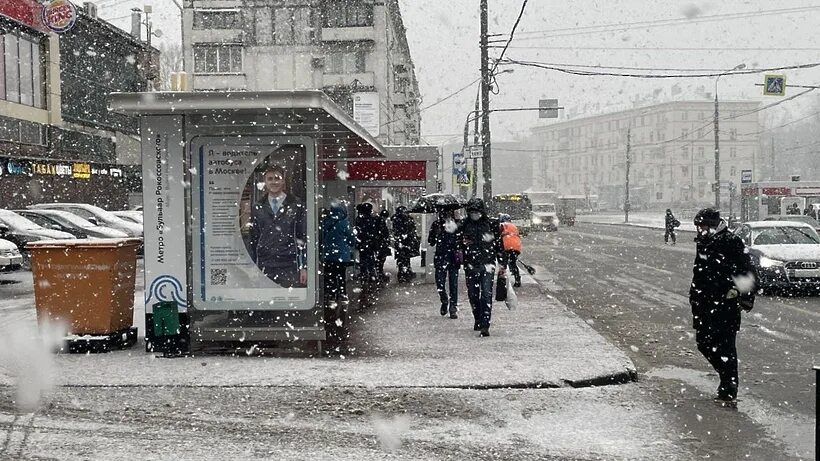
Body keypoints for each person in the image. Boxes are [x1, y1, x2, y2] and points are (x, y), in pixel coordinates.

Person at [689, 208, 756, 404]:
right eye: (697, 227)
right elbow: (700, 272)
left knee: (726, 346)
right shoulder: (704, 242)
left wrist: (745, 296)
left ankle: (729, 386)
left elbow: (746, 270)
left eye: (702, 226)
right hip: (703, 303)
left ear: (712, 225)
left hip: (724, 304)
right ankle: (726, 378)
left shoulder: (730, 241)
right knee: (704, 343)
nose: (699, 230)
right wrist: (695, 294)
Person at [248, 164, 307, 288]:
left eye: (277, 178)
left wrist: (304, 266)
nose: (274, 182)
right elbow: (253, 238)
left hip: (289, 263)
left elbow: (302, 236)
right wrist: (252, 266)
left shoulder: (296, 205)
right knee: (266, 302)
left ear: (283, 180)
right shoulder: (258, 207)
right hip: (265, 263)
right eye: (270, 179)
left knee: (289, 303)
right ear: (265, 182)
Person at [459, 198, 507, 337]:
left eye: (476, 212)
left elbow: (499, 244)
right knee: (473, 294)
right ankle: (478, 318)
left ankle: (485, 324)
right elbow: (457, 243)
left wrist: (502, 263)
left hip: (488, 263)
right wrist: (463, 244)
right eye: (472, 212)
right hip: (471, 264)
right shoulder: (464, 224)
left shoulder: (491, 224)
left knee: (486, 293)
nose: (474, 214)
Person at [428, 209, 462, 318]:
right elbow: (431, 241)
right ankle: (444, 300)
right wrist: (436, 234)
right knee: (440, 283)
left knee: (453, 283)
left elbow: (461, 240)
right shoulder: (437, 225)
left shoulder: (457, 225)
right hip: (441, 257)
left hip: (452, 257)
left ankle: (453, 307)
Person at [321, 201, 354, 308]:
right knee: (341, 275)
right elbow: (351, 238)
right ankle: (343, 294)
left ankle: (331, 295)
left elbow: (321, 237)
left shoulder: (326, 221)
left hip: (328, 255)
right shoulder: (344, 223)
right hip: (341, 255)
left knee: (330, 275)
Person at [391, 206, 420, 283]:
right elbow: (412, 230)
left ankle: (403, 273)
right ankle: (405, 272)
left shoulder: (396, 219)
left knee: (402, 258)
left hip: (401, 242)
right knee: (406, 258)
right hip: (406, 242)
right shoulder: (407, 220)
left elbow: (395, 231)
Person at [498, 213, 522, 287]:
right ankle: (517, 280)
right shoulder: (514, 226)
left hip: (506, 246)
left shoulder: (502, 225)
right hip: (516, 246)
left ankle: (502, 281)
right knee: (513, 263)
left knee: (503, 264)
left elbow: (498, 236)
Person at [377, 209, 392, 283]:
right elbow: (384, 234)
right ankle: (379, 274)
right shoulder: (381, 223)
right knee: (380, 260)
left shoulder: (377, 221)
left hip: (379, 245)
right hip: (381, 245)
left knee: (379, 260)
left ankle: (378, 274)